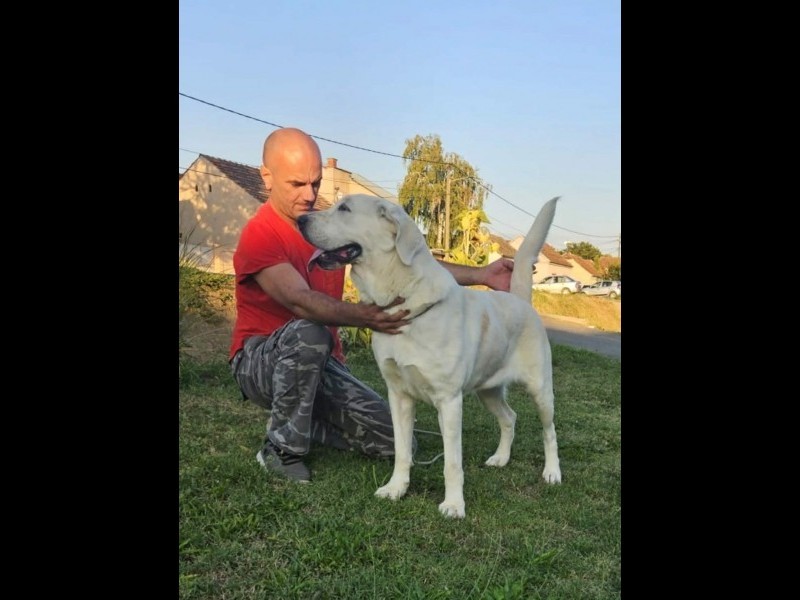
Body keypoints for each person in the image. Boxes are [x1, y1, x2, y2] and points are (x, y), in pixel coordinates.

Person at [229, 127, 515, 483]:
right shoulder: (260, 234)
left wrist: (482, 275)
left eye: (315, 183)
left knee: (396, 441)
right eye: (297, 184)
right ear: (267, 176)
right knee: (310, 333)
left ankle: (306, 422)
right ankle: (281, 447)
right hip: (261, 362)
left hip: (322, 364)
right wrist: (368, 317)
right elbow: (300, 302)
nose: (309, 194)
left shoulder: (327, 230)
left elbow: (412, 262)